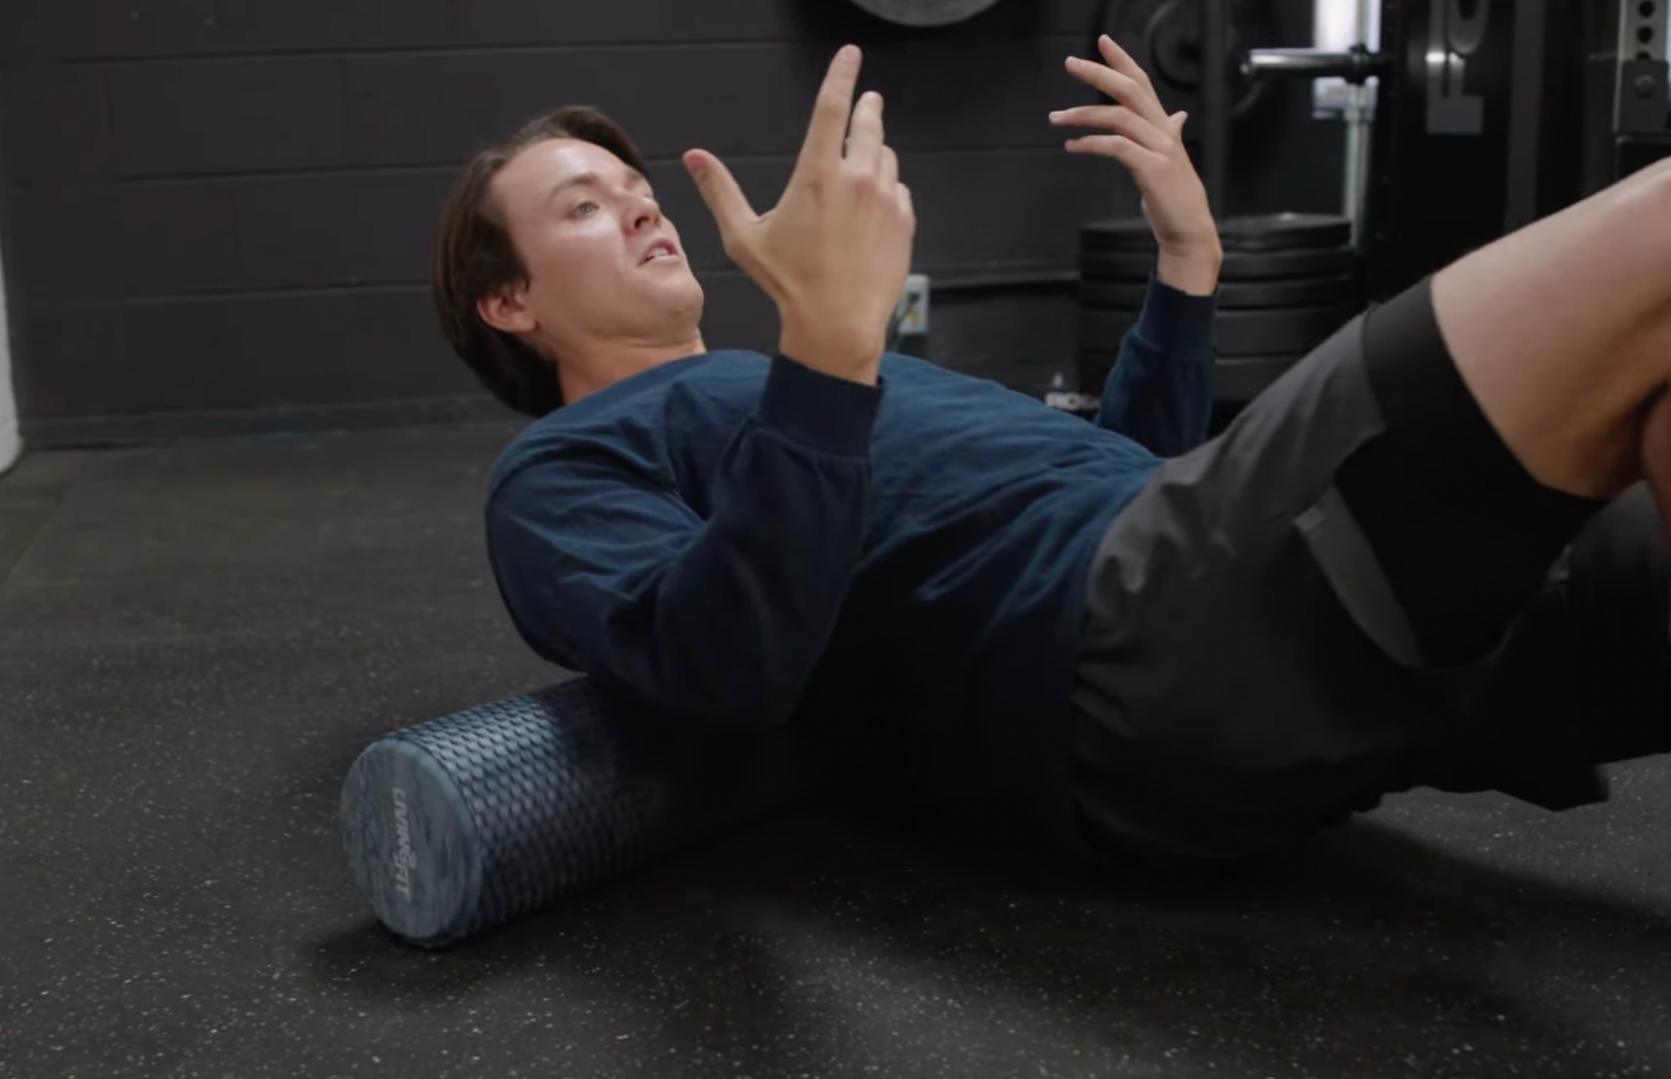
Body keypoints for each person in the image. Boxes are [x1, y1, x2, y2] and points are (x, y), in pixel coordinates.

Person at [432, 37, 1671, 868]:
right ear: (508, 302)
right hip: (1130, 649)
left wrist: (1186, 269)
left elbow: (1113, 476)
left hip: (1204, 591)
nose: (639, 204)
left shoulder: (794, 380)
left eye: (635, 186)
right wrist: (829, 350)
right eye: (583, 206)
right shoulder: (560, 470)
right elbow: (727, 668)